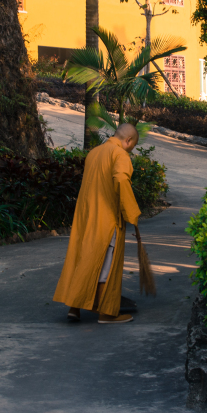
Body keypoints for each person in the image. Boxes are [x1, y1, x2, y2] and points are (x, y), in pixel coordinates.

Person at [54, 123, 141, 323]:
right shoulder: (120, 155)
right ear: (128, 141)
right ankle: (106, 313)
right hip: (106, 219)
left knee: (84, 259)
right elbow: (120, 180)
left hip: (86, 217)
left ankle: (74, 309)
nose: (129, 150)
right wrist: (132, 215)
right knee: (105, 264)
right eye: (131, 146)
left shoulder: (94, 153)